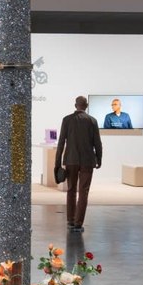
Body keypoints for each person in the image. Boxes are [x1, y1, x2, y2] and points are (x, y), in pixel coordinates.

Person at [56, 96, 102, 231]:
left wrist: (57, 163)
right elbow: (97, 143)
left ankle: (70, 220)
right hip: (88, 161)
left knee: (71, 190)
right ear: (86, 106)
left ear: (75, 105)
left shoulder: (67, 120)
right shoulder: (92, 121)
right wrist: (99, 159)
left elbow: (61, 143)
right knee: (83, 191)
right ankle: (78, 223)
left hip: (71, 160)